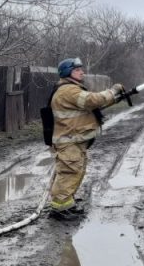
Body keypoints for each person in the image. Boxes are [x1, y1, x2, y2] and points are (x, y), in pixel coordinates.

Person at [47, 57, 124, 217]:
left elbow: (92, 106)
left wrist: (115, 99)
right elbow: (92, 100)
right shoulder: (68, 91)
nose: (82, 72)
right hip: (69, 142)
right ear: (67, 72)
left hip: (74, 140)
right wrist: (113, 91)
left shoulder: (71, 89)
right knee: (69, 173)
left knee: (75, 172)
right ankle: (60, 209)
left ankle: (67, 203)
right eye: (77, 70)